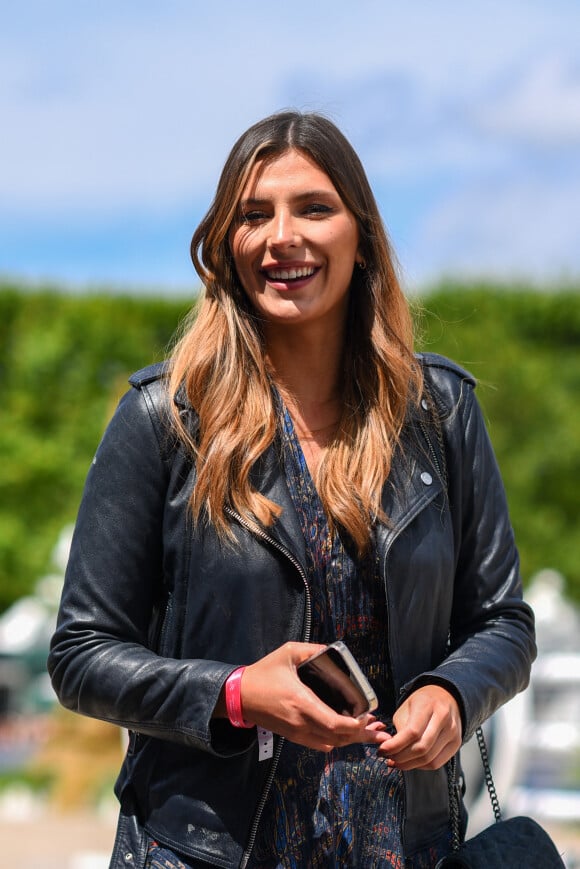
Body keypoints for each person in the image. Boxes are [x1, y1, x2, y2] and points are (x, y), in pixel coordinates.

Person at [48, 110, 536, 869]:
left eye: (313, 207)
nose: (283, 236)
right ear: (227, 244)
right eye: (253, 214)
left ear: (361, 235)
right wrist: (238, 692)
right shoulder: (162, 420)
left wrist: (452, 692)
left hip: (403, 847)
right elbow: (81, 654)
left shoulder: (439, 412)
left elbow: (503, 620)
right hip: (206, 851)